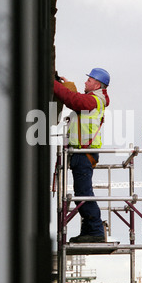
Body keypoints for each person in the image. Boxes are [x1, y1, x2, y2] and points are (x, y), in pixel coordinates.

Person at [53, 68, 110, 243]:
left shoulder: (94, 100)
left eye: (89, 80)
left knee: (84, 193)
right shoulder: (92, 100)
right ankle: (89, 231)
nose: (86, 82)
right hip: (82, 152)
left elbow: (74, 100)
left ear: (97, 84)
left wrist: (52, 84)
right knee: (81, 193)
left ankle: (95, 231)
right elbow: (75, 98)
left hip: (84, 153)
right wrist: (65, 84)